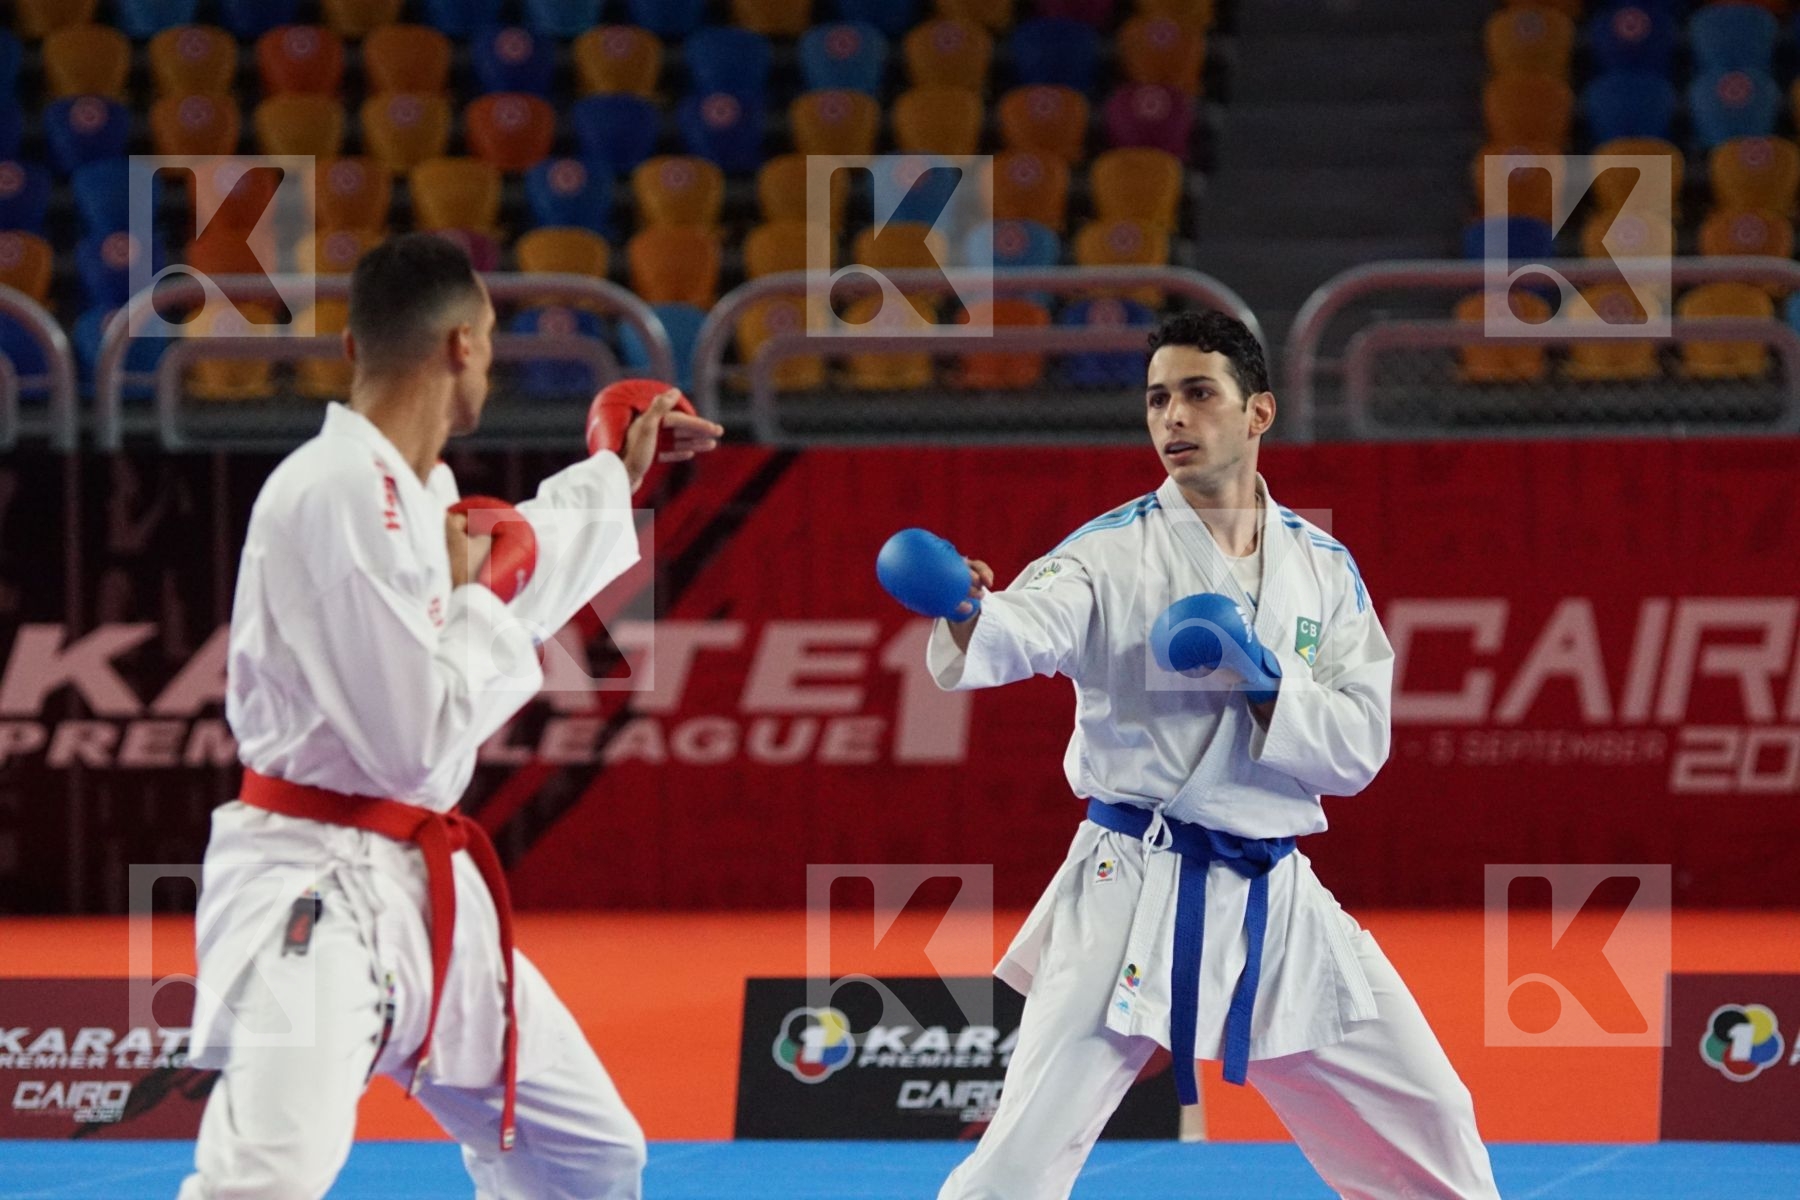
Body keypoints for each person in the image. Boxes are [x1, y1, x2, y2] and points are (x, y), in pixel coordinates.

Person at [880, 310, 1500, 1199]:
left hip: (1275, 893)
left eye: (1199, 395)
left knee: (1432, 1117)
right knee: (1016, 1167)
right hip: (1134, 884)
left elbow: (1358, 750)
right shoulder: (1107, 551)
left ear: (1259, 413)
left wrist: (1259, 676)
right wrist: (969, 607)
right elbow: (1028, 623)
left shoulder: (1324, 567)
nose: (1173, 417)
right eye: (1158, 399)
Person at [179, 232, 723, 1200]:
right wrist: (485, 599)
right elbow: (413, 738)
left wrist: (610, 469)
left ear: (355, 348)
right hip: (313, 895)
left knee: (586, 1155)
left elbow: (518, 556)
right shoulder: (335, 493)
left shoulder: (412, 489)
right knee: (264, 1179)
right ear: (467, 346)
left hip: (423, 891)